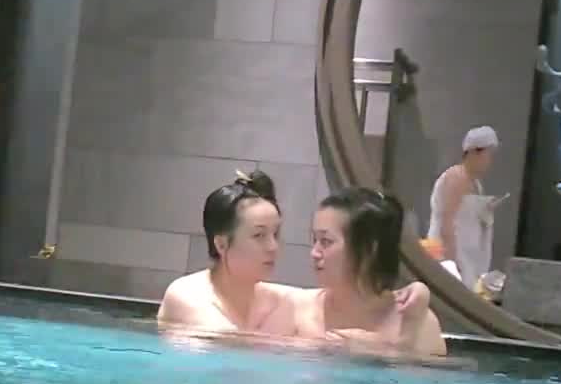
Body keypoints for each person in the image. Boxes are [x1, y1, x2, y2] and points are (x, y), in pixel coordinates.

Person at [158, 171, 428, 341]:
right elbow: (233, 348)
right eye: (259, 235)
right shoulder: (187, 294)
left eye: (276, 234)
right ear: (221, 244)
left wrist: (418, 294)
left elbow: (356, 297)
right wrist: (385, 345)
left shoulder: (282, 301)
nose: (273, 247)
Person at [305, 187, 447, 357]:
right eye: (314, 240)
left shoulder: (416, 322)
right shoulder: (300, 310)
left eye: (326, 241)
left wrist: (390, 346)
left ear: (369, 249)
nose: (314, 253)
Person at [427, 125, 506, 290]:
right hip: (452, 256)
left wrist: (486, 208)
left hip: (468, 258)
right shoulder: (455, 177)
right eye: (487, 155)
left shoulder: (475, 183)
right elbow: (446, 221)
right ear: (473, 152)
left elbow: (467, 214)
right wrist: (452, 261)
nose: (489, 161)